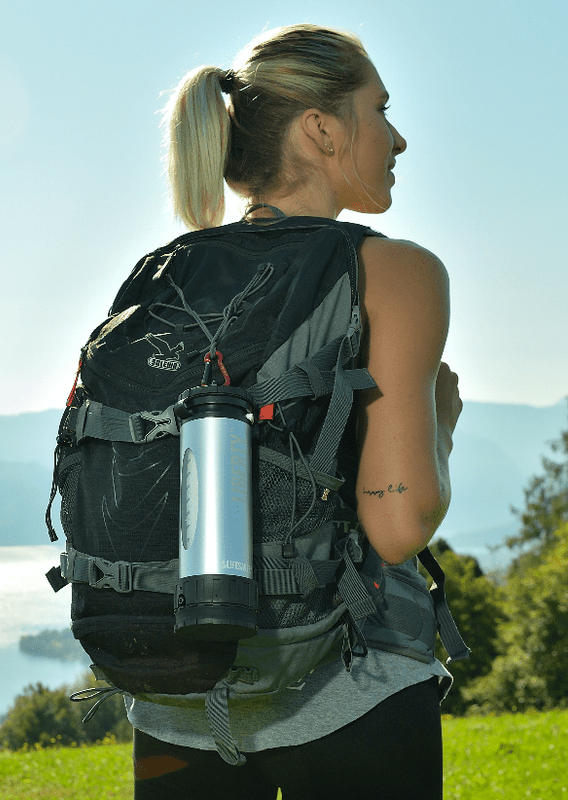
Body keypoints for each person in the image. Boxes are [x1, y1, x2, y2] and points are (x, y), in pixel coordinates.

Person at [120, 23, 462, 800]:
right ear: (322, 129)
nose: (398, 137)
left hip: (177, 702)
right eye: (380, 108)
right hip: (351, 693)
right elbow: (399, 524)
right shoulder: (395, 271)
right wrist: (439, 421)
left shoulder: (163, 277)